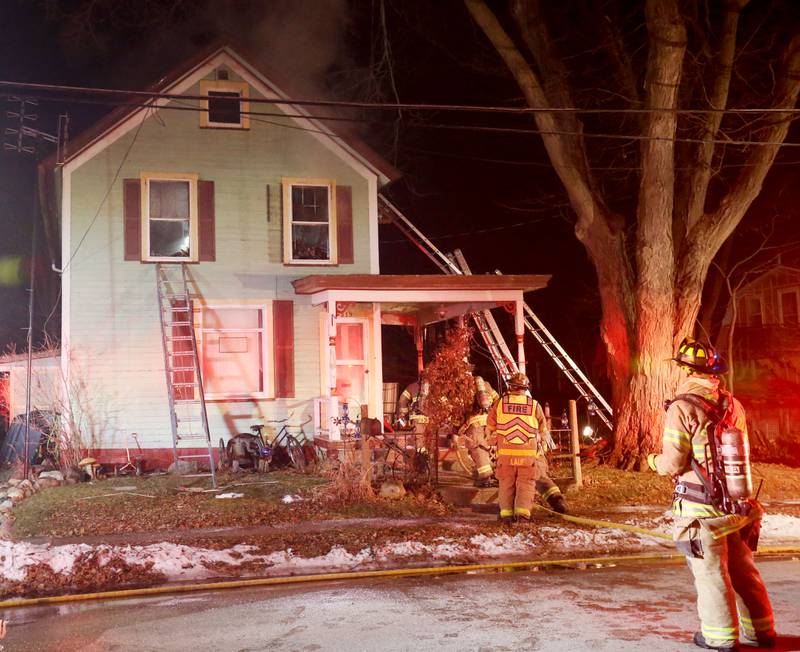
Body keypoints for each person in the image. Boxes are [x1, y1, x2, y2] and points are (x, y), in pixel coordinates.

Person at [648, 337, 775, 650]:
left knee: (711, 575)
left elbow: (673, 462)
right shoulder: (733, 404)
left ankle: (720, 637)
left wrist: (653, 461)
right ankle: (761, 631)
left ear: (686, 370)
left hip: (701, 511)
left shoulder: (681, 407)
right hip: (738, 505)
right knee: (744, 571)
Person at [486, 372, 542, 523]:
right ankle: (522, 516)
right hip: (527, 455)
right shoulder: (534, 405)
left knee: (506, 484)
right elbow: (543, 429)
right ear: (525, 388)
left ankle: (506, 516)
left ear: (510, 386)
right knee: (526, 484)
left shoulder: (500, 403)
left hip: (505, 455)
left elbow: (490, 425)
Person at [462, 376, 499, 488]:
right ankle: (498, 475)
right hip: (490, 424)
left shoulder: (465, 388)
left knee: (478, 451)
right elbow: (497, 401)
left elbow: (460, 411)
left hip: (475, 427)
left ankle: (485, 479)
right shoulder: (487, 385)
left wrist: (455, 428)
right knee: (495, 449)